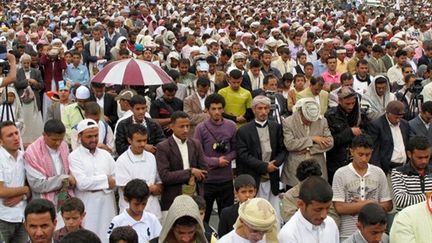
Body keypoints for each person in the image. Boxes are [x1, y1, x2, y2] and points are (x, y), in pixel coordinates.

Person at [332, 135, 392, 240]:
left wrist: (368, 205)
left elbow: (388, 205)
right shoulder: (340, 173)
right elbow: (339, 207)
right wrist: (367, 204)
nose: (364, 159)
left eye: (367, 154)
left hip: (374, 235)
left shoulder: (378, 172)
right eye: (360, 154)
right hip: (347, 234)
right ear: (352, 152)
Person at [236, 95, 287, 218]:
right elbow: (243, 154)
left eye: (266, 108)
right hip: (254, 176)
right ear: (253, 110)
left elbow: (283, 149)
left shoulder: (276, 127)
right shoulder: (244, 130)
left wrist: (275, 164)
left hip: (272, 176)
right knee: (255, 212)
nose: (263, 112)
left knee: (273, 212)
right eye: (260, 108)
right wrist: (264, 166)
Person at [69, 119, 117, 241]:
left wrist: (99, 183)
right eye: (89, 136)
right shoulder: (74, 157)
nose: (93, 139)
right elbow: (82, 183)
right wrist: (106, 180)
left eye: (96, 135)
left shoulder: (105, 155)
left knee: (108, 236)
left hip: (107, 203)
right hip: (87, 204)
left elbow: (116, 179)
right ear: (80, 136)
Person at [193, 94, 236, 223]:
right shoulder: (200, 128)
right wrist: (217, 162)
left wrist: (226, 159)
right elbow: (196, 154)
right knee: (203, 218)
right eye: (213, 109)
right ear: (207, 110)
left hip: (226, 180)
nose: (217, 112)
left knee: (227, 217)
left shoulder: (231, 126)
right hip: (207, 181)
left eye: (219, 108)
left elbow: (236, 149)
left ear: (223, 109)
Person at [155, 111, 208, 212]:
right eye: (182, 126)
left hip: (195, 198)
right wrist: (190, 172)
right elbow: (165, 176)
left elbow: (205, 171)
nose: (185, 130)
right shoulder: (163, 147)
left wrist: (196, 177)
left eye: (187, 126)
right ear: (172, 126)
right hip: (173, 200)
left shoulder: (196, 144)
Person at [282, 98, 334, 187]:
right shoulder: (288, 122)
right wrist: (312, 139)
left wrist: (309, 149)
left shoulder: (322, 121)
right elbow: (290, 144)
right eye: (307, 119)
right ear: (301, 113)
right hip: (295, 169)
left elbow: (329, 143)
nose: (310, 122)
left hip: (317, 168)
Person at [115, 124, 163, 219]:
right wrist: (151, 189)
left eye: (144, 140)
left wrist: (157, 188)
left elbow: (159, 183)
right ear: (129, 140)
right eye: (139, 141)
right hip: (130, 214)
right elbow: (127, 190)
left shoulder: (151, 157)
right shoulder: (122, 160)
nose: (142, 144)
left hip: (153, 212)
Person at [24, 119, 75, 208]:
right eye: (54, 139)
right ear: (44, 135)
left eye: (61, 139)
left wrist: (68, 181)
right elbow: (37, 184)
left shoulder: (64, 146)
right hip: (43, 204)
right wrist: (64, 179)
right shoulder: (32, 152)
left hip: (64, 199)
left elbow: (70, 174)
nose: (58, 143)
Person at [278, 176, 339, 243]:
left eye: (327, 208)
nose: (324, 216)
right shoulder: (289, 234)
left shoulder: (331, 224)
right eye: (318, 210)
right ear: (300, 204)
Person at [280, 159, 340, 225]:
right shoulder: (289, 196)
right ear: (300, 180)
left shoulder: (326, 192)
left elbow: (334, 219)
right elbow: (290, 220)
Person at [0, 121, 31, 242]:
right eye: (9, 135)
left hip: (22, 217)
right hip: (2, 217)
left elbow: (32, 188)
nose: (16, 138)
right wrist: (24, 189)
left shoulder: (24, 157)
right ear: (1, 141)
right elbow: (1, 191)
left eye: (16, 133)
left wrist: (22, 196)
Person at [325, 87, 362, 184]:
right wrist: (350, 132)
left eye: (353, 103)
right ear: (339, 101)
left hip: (354, 160)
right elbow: (330, 141)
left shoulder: (357, 115)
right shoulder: (331, 115)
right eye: (347, 104)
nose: (350, 107)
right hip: (336, 161)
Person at [368, 100, 410, 174]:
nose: (398, 120)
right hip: (387, 170)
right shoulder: (377, 125)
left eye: (400, 117)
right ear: (387, 113)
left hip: (404, 169)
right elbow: (374, 151)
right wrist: (378, 172)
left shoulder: (404, 124)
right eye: (396, 117)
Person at [391, 136, 432, 211]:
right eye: (420, 158)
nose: (424, 161)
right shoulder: (398, 172)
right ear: (409, 154)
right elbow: (401, 200)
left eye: (427, 157)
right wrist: (428, 196)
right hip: (407, 220)